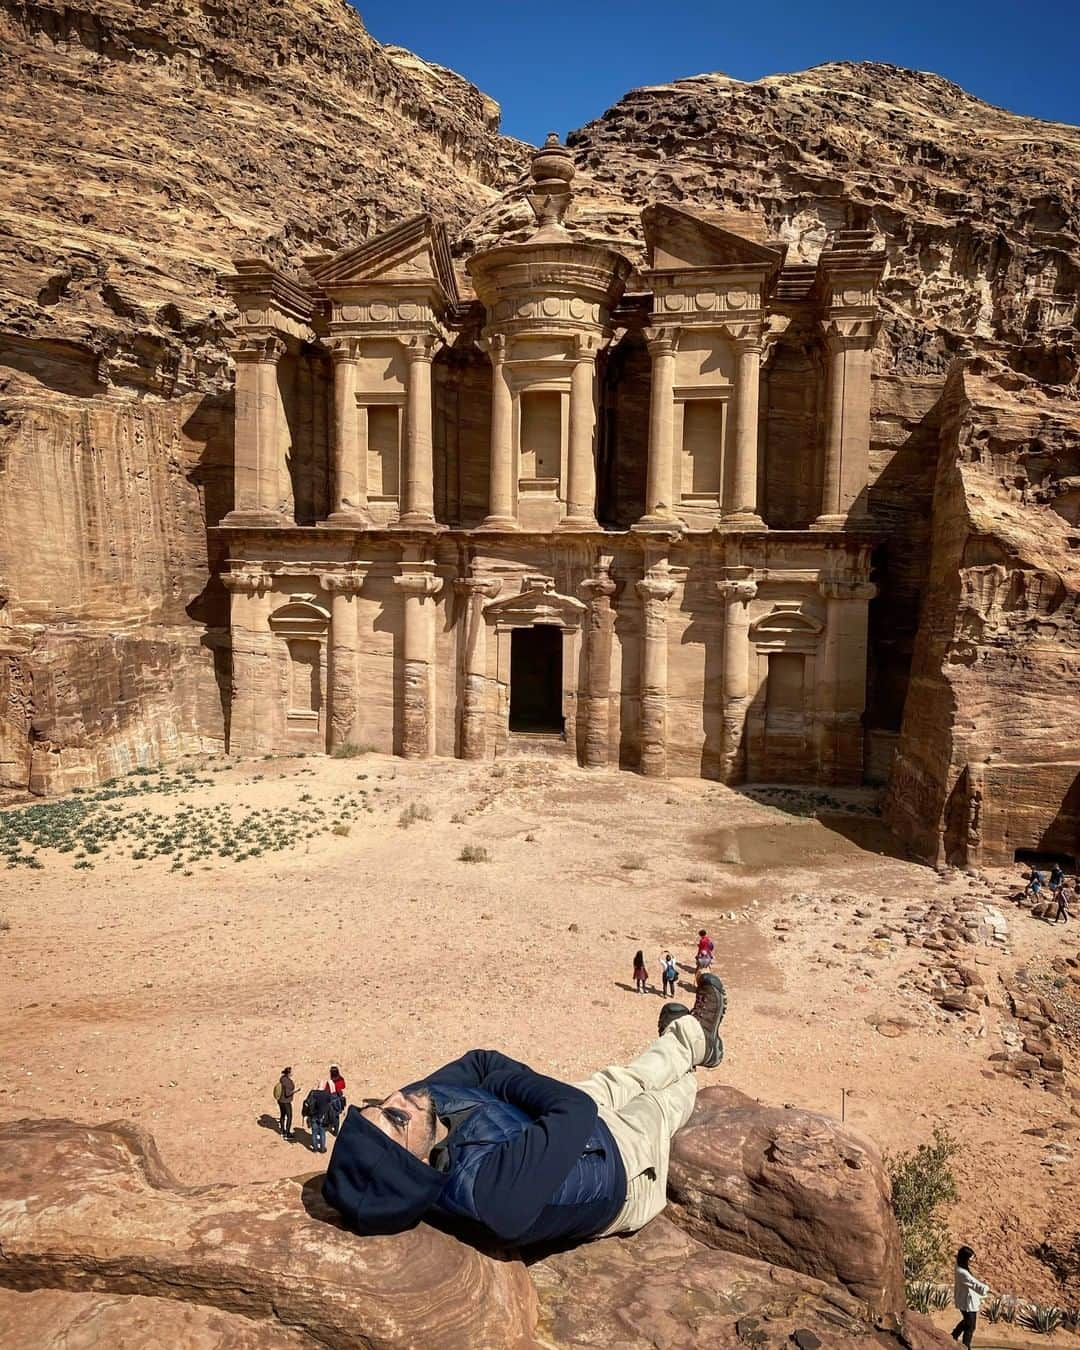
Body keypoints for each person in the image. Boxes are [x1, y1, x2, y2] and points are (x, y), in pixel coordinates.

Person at [323, 975, 728, 1248]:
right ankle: (692, 1049)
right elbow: (572, 1109)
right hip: (621, 1167)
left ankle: (691, 1040)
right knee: (663, 1099)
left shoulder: (420, 1111)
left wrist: (514, 1092)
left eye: (375, 1105)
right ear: (415, 1163)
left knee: (622, 1079)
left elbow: (481, 1060)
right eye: (394, 1118)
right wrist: (508, 1087)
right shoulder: (492, 1195)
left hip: (549, 1125)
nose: (397, 1098)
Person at [951, 1244, 989, 1347]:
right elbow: (973, 1283)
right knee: (970, 1326)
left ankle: (953, 1335)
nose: (973, 1259)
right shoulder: (962, 1272)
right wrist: (986, 1288)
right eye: (971, 1257)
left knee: (967, 1321)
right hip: (967, 1302)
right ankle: (965, 1345)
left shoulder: (959, 1265)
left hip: (966, 1299)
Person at [303, 1086, 337, 1153]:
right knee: (322, 1133)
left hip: (313, 1116)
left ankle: (315, 1149)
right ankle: (322, 1149)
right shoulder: (326, 1094)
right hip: (322, 1117)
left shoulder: (312, 1093)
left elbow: (307, 1102)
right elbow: (332, 1100)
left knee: (314, 1133)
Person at [322, 1065, 347, 1135]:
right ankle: (336, 1131)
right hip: (338, 1099)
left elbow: (326, 1090)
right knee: (337, 1115)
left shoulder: (330, 1082)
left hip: (331, 1099)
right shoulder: (341, 1079)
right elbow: (343, 1086)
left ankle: (327, 1124)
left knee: (328, 1113)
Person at [274, 1066, 297, 1140]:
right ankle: (287, 1133)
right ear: (289, 1073)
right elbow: (287, 1094)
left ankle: (282, 1131)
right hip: (286, 1102)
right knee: (289, 1116)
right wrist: (295, 1091)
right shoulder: (288, 1082)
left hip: (280, 1100)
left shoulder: (282, 1078)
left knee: (282, 1115)